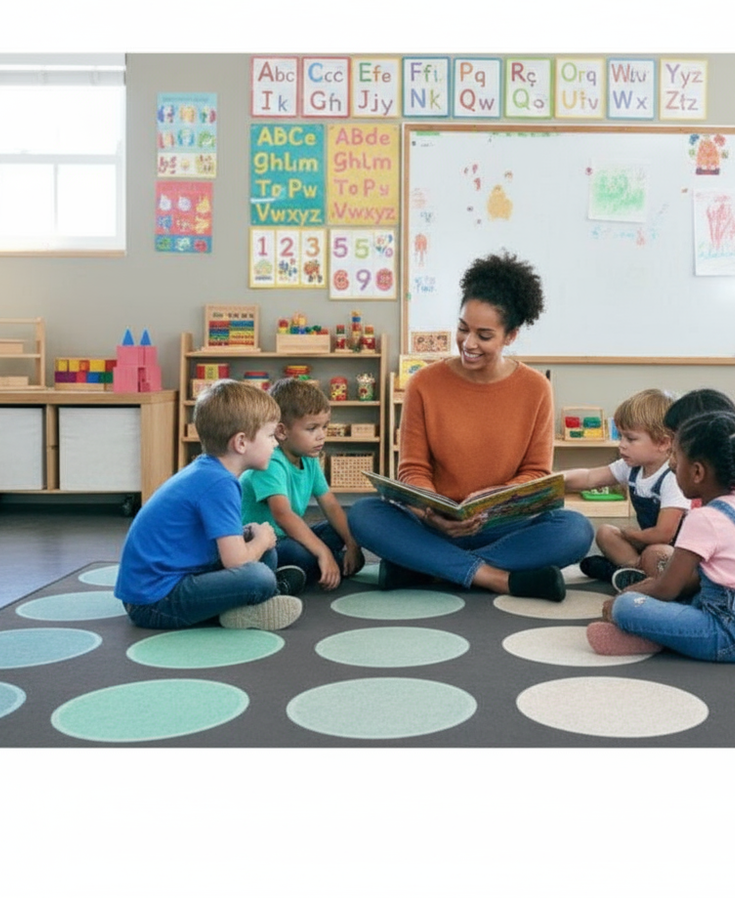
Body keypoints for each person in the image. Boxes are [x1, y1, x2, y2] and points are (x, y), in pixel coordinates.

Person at [347, 251, 594, 601]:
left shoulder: (536, 388)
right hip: (435, 525)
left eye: (484, 335)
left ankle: (428, 569)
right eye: (463, 328)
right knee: (364, 514)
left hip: (502, 526)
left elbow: (536, 473)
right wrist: (431, 512)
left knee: (575, 529)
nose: (468, 343)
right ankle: (495, 578)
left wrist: (493, 502)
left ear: (511, 336)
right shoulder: (423, 384)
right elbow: (412, 470)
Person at [586, 410, 735, 661]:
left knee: (627, 607)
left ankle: (651, 635)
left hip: (734, 635)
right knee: (684, 597)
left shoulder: (703, 518)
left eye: (676, 457)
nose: (672, 465)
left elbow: (666, 588)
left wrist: (624, 595)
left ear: (697, 472)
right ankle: (657, 635)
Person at [114, 380, 302, 631]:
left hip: (173, 578)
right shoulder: (219, 484)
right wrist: (262, 539)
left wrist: (253, 537)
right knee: (259, 575)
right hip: (154, 602)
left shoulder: (210, 471)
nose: (275, 443)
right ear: (241, 442)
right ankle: (256, 600)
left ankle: (251, 602)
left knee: (264, 551)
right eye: (269, 436)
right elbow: (236, 561)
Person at [608, 387, 735, 596]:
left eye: (676, 449)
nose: (671, 461)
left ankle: (637, 576)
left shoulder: (707, 507)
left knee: (655, 558)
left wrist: (632, 595)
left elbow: (673, 579)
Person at [241, 377, 364, 592]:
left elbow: (331, 505)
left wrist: (353, 544)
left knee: (346, 528)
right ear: (281, 431)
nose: (321, 436)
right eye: (312, 428)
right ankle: (313, 567)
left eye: (324, 427)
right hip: (263, 543)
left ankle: (313, 568)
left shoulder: (309, 458)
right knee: (299, 554)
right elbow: (283, 515)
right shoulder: (270, 461)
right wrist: (323, 552)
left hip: (289, 535)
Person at [563, 388, 690, 585]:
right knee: (606, 533)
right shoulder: (632, 466)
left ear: (663, 443)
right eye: (620, 436)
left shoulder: (672, 477)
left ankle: (628, 573)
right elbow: (590, 477)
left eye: (630, 439)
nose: (621, 445)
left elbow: (664, 534)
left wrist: (634, 535)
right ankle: (634, 570)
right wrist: (558, 479)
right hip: (648, 542)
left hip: (675, 551)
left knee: (656, 553)